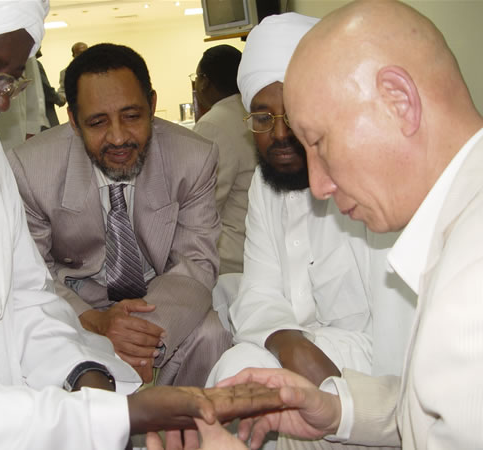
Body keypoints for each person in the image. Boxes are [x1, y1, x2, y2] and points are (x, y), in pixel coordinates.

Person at [0, 2, 286, 449]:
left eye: (11, 81)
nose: (1, 101)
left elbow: (26, 297)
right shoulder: (19, 163)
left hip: (17, 407)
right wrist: (115, 412)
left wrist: (89, 377)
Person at [220, 0, 483, 449]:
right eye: (265, 119)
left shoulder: (468, 283)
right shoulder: (454, 218)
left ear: (399, 102)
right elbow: (421, 411)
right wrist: (341, 410)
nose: (319, 185)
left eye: (320, 141)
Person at [208, 12, 415, 391]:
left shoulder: (371, 181)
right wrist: (289, 342)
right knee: (235, 369)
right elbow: (259, 291)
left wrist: (345, 397)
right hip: (293, 343)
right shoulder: (265, 184)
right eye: (263, 117)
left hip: (377, 360)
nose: (279, 133)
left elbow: (396, 333)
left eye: (293, 114)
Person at [7, 43, 231, 387]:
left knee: (213, 332)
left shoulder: (193, 158)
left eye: (132, 116)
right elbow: (32, 275)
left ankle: (186, 420)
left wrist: (139, 336)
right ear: (74, 122)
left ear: (152, 106)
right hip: (77, 307)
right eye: (97, 122)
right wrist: (94, 322)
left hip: (160, 301)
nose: (118, 137)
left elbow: (196, 263)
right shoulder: (30, 169)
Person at [192, 45, 257, 275]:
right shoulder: (254, 110)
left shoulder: (212, 124)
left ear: (204, 81)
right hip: (256, 242)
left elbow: (203, 204)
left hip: (230, 255)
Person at [37, 48, 65, 128]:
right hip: (44, 114)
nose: (40, 47)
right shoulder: (34, 65)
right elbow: (46, 89)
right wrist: (60, 99)